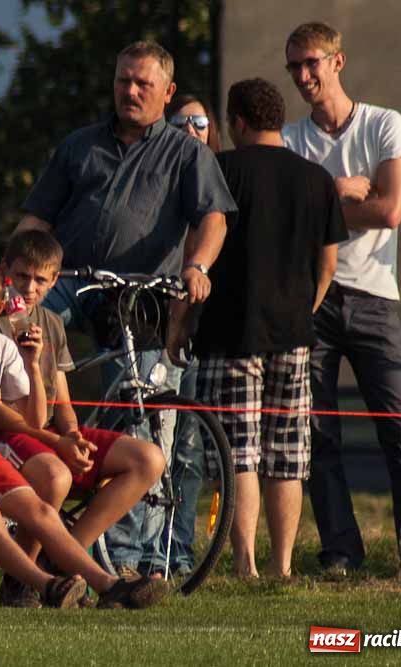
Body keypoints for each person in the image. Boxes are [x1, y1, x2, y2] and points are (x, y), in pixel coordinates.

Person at [16, 40, 236, 579]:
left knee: (140, 410)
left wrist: (198, 266)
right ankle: (24, 445)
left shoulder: (187, 153)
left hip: (141, 293)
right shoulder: (79, 145)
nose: (130, 91)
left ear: (168, 92)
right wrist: (12, 279)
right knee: (19, 337)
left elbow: (213, 219)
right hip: (71, 281)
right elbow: (36, 220)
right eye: (123, 81)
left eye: (142, 84)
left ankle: (124, 554)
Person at [282, 22, 401, 579]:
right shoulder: (290, 140)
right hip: (313, 299)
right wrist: (339, 192)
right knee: (317, 432)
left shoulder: (384, 124)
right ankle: (340, 552)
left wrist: (319, 207)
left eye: (311, 62)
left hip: (374, 298)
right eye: (294, 66)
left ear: (338, 61)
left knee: (400, 429)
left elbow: (390, 210)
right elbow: (288, 223)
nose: (303, 75)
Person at [0, 256, 169, 609]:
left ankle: (108, 585)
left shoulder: (4, 345)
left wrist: (32, 365)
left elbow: (33, 419)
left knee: (41, 511)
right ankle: (45, 585)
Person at [170, 78, 346, 577]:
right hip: (293, 336)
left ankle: (244, 563)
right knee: (287, 455)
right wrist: (303, 310)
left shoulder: (221, 171)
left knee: (238, 454)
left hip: (230, 333)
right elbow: (328, 265)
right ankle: (281, 564)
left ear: (238, 122)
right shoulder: (317, 179)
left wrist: (178, 326)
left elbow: (194, 253)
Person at [0, 231, 166, 606]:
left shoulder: (52, 322)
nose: (30, 288)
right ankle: (21, 579)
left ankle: (63, 562)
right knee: (56, 476)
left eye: (41, 280)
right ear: (5, 272)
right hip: (6, 431)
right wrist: (58, 442)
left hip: (50, 430)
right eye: (22, 277)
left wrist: (72, 435)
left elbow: (63, 400)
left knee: (148, 458)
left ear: (55, 280)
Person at [162, 93, 222, 575]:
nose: (191, 131)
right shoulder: (159, 182)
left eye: (199, 122)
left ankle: (178, 549)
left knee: (189, 452)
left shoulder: (216, 186)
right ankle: (144, 552)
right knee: (155, 446)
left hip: (203, 339)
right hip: (159, 333)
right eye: (180, 123)